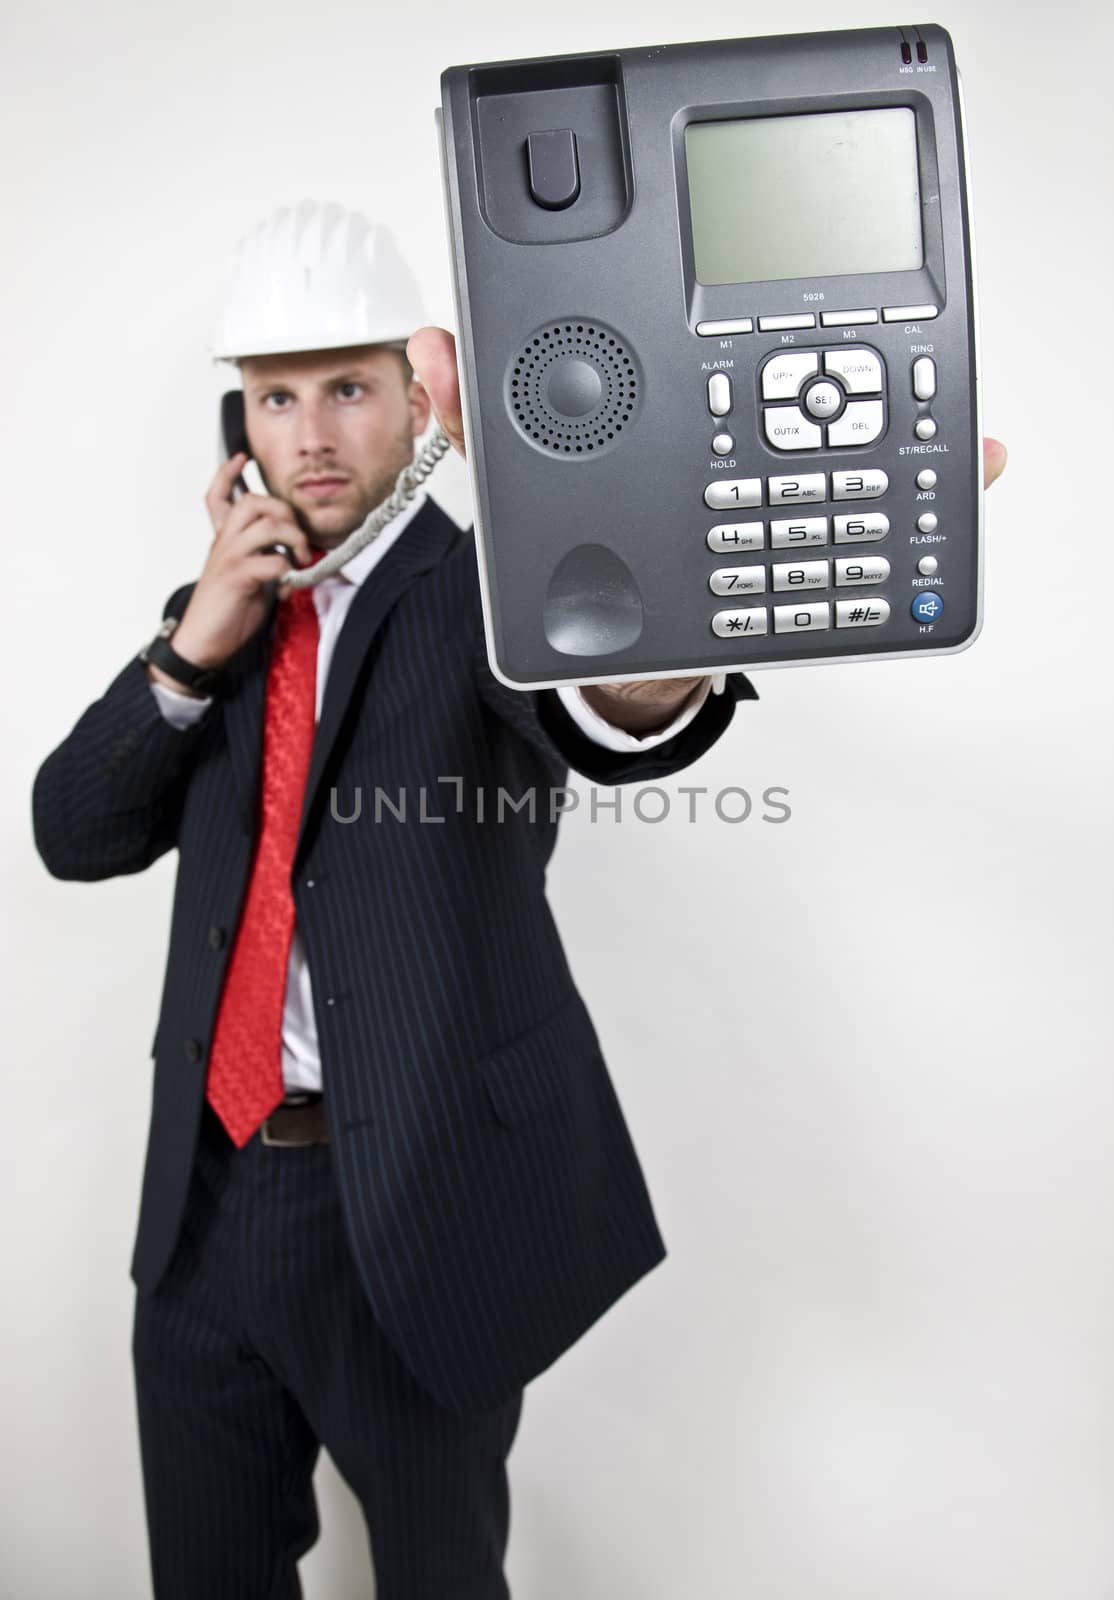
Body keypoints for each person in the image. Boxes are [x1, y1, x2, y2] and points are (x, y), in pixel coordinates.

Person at [31, 200, 1008, 1599]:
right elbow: (74, 836)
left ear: (420, 398)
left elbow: (616, 723)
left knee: (440, 1575)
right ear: (235, 424)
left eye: (350, 389)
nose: (307, 435)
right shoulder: (223, 615)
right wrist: (193, 644)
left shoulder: (493, 587)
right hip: (201, 1203)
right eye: (272, 397)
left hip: (410, 1206)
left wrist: (680, 622)